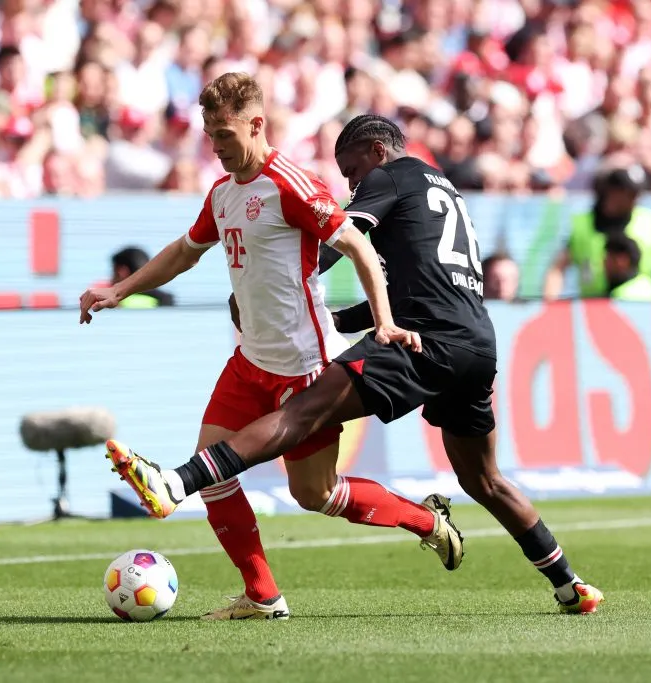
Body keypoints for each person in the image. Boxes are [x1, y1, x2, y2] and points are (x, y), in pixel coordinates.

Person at [106, 115, 605, 615]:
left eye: (353, 170)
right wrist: (334, 313)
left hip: (423, 341)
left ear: (377, 150)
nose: (352, 183)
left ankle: (177, 481)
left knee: (304, 410)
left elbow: (343, 237)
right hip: (476, 343)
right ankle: (570, 585)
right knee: (486, 480)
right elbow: (422, 285)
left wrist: (281, 279)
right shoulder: (445, 189)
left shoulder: (390, 176)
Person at [79, 75, 456, 621]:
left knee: (317, 494)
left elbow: (358, 247)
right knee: (214, 477)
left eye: (224, 134)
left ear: (256, 125)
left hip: (305, 367)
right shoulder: (224, 192)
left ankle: (426, 522)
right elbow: (185, 253)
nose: (216, 146)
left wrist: (385, 323)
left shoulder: (291, 185)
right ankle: (262, 595)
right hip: (249, 360)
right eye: (210, 136)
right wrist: (119, 288)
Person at [543, 164, 651, 300]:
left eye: (637, 193)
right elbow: (557, 269)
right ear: (611, 191)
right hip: (592, 310)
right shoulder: (582, 224)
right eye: (629, 192)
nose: (635, 198)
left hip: (641, 308)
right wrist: (550, 308)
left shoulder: (649, 222)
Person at [110, 246, 175, 308]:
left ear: (121, 272)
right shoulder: (167, 299)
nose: (111, 279)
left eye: (113, 272)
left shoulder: (118, 304)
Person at [603, 233, 651, 301]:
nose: (604, 263)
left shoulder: (623, 296)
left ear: (622, 260)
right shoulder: (647, 284)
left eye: (609, 257)